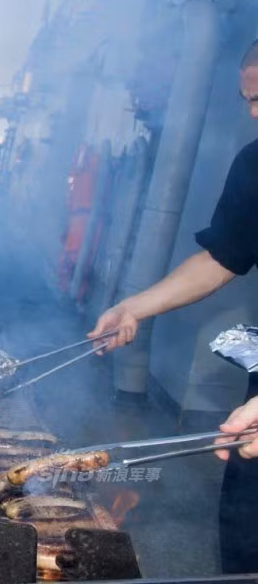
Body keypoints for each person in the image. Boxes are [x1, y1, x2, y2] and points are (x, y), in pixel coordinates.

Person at [89, 40, 258, 575]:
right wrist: (134, 307)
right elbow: (222, 256)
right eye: (248, 99)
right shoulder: (255, 162)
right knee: (246, 539)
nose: (254, 112)